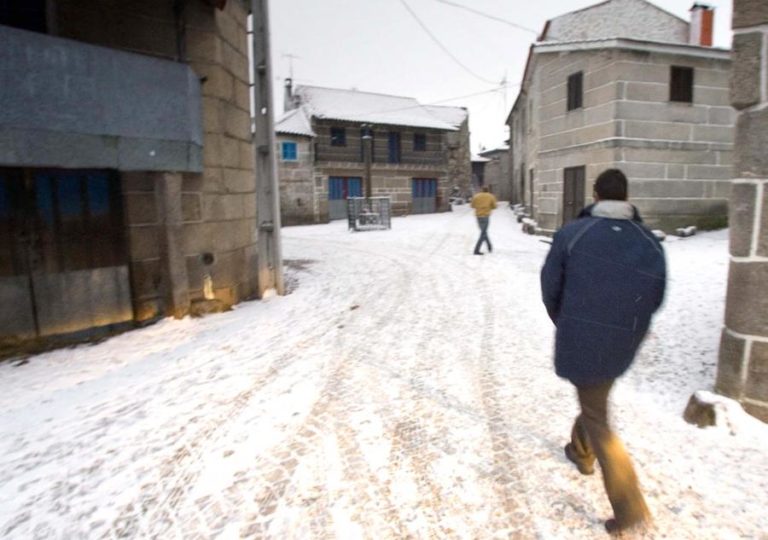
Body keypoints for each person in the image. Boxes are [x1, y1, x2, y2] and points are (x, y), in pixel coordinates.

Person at [540, 169, 666, 535]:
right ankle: (580, 451)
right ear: (625, 197)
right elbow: (655, 295)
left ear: (595, 195)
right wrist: (629, 326)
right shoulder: (649, 240)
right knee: (595, 395)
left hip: (584, 335)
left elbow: (550, 287)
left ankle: (630, 510)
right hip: (624, 339)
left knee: (598, 416)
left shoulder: (572, 234)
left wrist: (569, 321)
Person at [470, 186, 497, 255]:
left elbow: (472, 205)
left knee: (483, 232)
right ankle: (476, 250)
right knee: (483, 233)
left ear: (481, 190)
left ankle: (489, 246)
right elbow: (494, 206)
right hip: (486, 216)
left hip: (478, 216)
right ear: (488, 190)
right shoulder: (491, 196)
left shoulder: (476, 196)